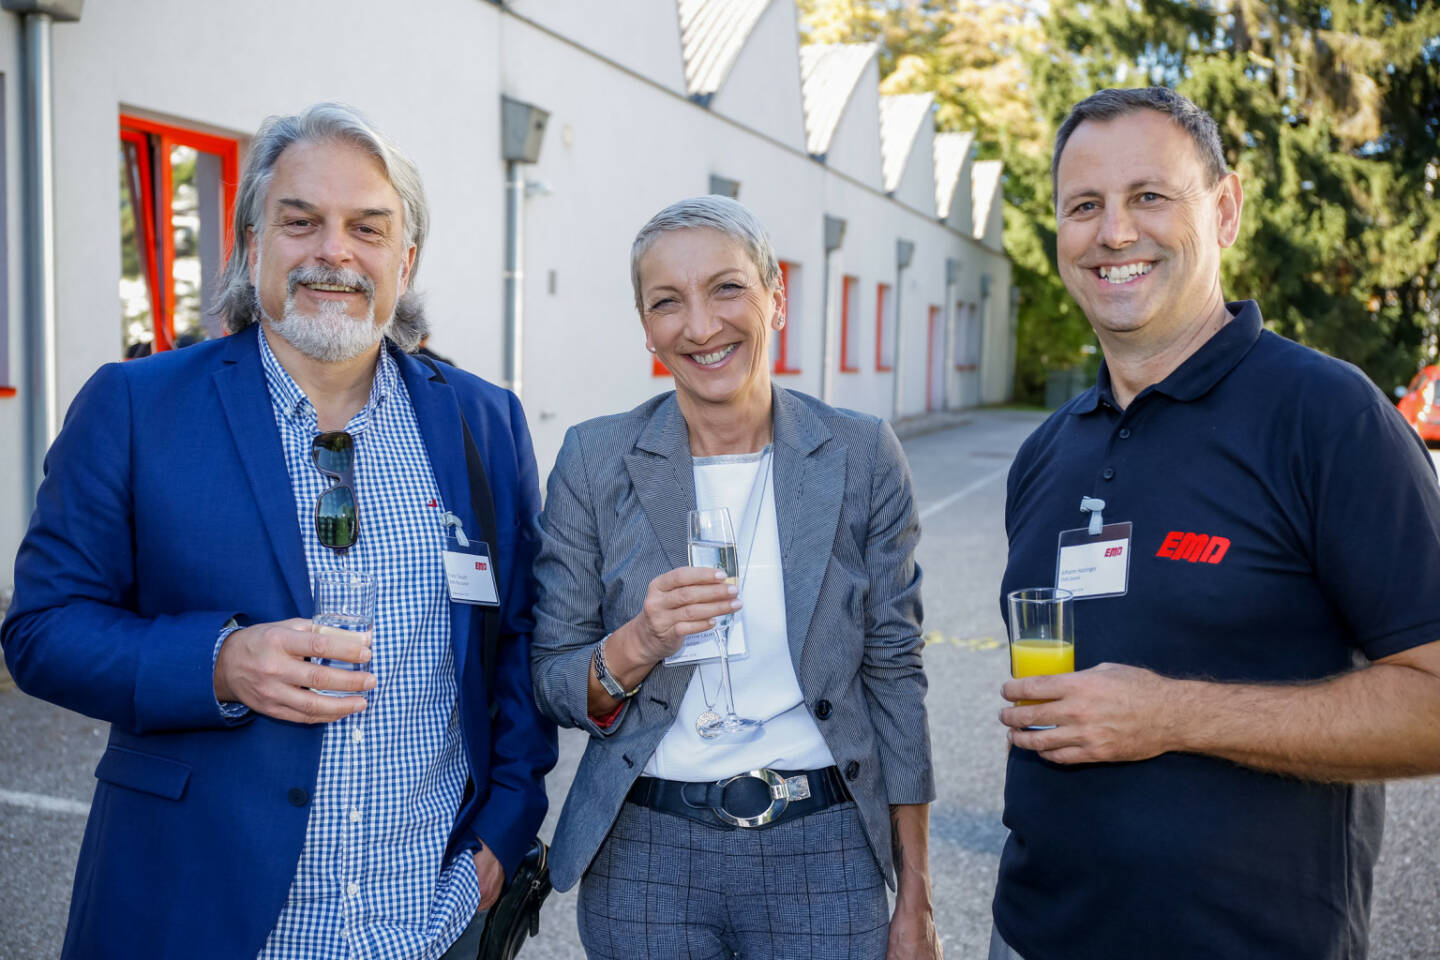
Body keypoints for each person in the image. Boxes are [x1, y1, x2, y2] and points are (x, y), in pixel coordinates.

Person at [1, 102, 557, 960]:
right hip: (200, 916)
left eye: (367, 228)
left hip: (426, 922)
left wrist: (503, 830)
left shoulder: (483, 421)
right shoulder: (136, 407)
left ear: (404, 262)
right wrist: (216, 663)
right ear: (253, 246)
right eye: (302, 222)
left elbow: (517, 638)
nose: (334, 251)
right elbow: (41, 630)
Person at [993, 86, 1440, 960]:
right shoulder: (1048, 450)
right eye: (1085, 206)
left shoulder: (1326, 415)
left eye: (1149, 196)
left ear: (1225, 208)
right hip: (1032, 938)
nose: (1114, 232)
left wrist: (1174, 716)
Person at [530, 195, 942, 959]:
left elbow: (895, 675)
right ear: (646, 327)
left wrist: (915, 893)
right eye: (667, 302)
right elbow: (553, 681)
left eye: (726, 288)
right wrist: (639, 641)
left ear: (774, 297)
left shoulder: (859, 455)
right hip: (647, 851)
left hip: (822, 850)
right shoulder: (594, 462)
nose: (700, 325)